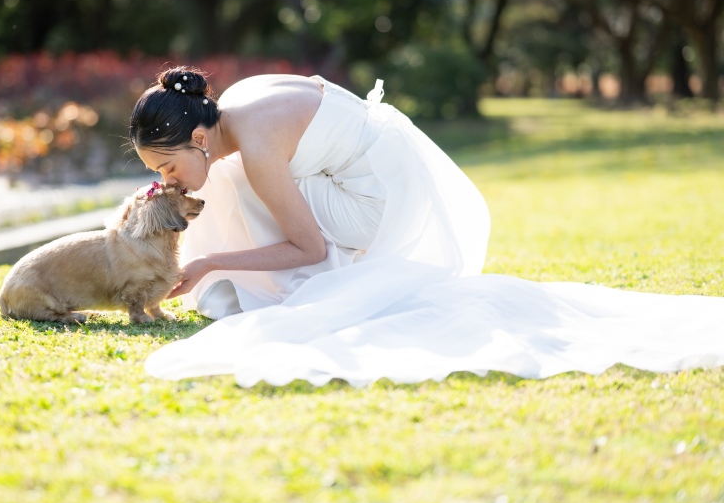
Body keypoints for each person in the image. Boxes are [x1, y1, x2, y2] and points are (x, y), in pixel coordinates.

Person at [131, 67, 724, 387]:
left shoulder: (253, 149)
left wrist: (210, 262)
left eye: (168, 166)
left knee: (234, 185)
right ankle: (243, 294)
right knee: (231, 182)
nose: (171, 182)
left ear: (200, 137)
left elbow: (305, 246)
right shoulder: (235, 104)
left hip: (377, 203)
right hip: (386, 170)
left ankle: (247, 297)